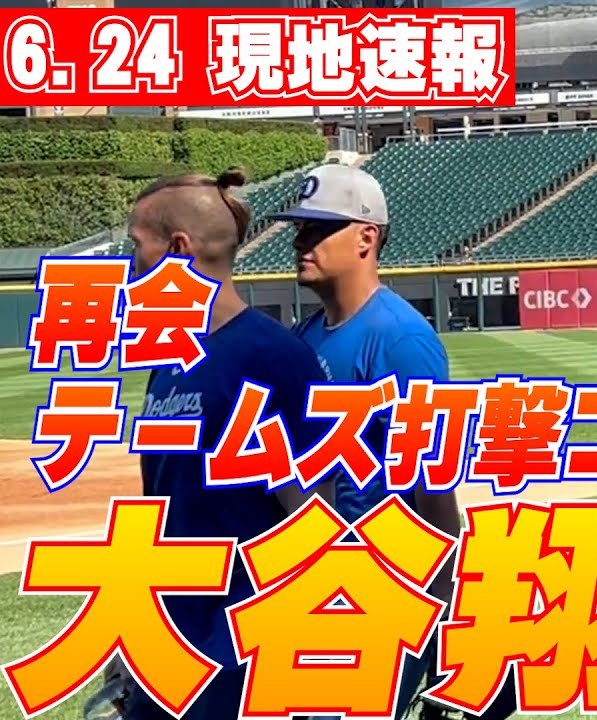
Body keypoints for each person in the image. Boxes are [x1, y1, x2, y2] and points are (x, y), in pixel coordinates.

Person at [268, 163, 516, 720]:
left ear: (366, 237)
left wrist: (447, 604)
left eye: (317, 229)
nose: (300, 242)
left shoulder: (399, 341)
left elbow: (434, 481)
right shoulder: (306, 337)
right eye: (300, 229)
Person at [107, 168, 333, 719]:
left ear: (177, 249)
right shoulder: (171, 358)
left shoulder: (273, 358)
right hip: (168, 646)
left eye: (137, 245)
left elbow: (311, 520)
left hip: (241, 659)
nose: (129, 264)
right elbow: (163, 507)